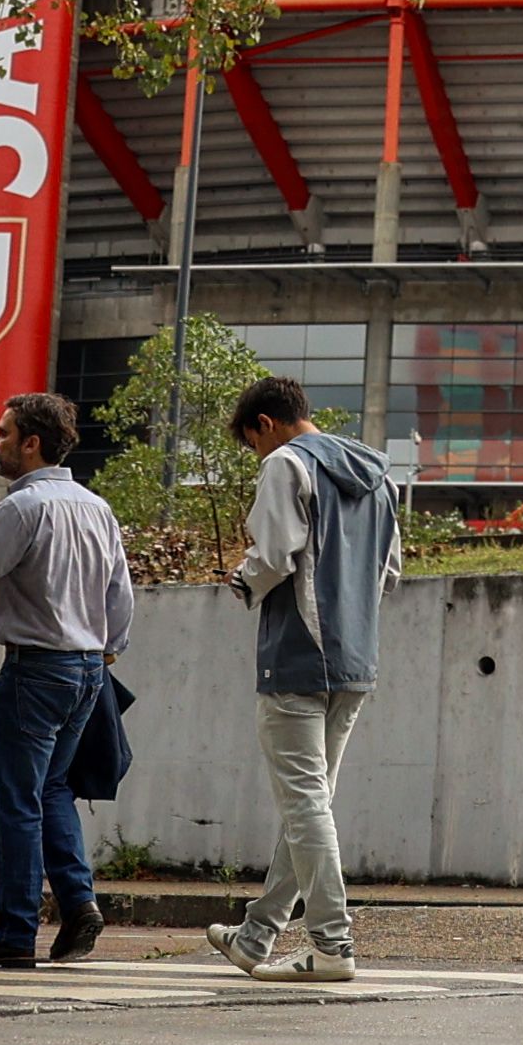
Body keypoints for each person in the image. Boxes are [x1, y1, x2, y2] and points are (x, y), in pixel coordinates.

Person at [0, 388, 136, 971]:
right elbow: (121, 596)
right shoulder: (96, 507)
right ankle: (77, 903)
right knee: (51, 791)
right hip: (88, 669)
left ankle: (15, 930)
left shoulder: (23, 508)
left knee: (19, 802)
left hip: (36, 668)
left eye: (2, 433)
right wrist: (106, 652)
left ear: (31, 443)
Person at [209, 375, 402, 986]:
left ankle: (331, 944)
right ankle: (257, 934)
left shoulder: (285, 466)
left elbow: (272, 556)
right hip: (356, 658)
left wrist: (242, 582)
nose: (256, 458)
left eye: (251, 444)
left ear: (265, 424)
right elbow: (390, 570)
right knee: (310, 804)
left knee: (304, 804)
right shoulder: (378, 475)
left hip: (295, 655)